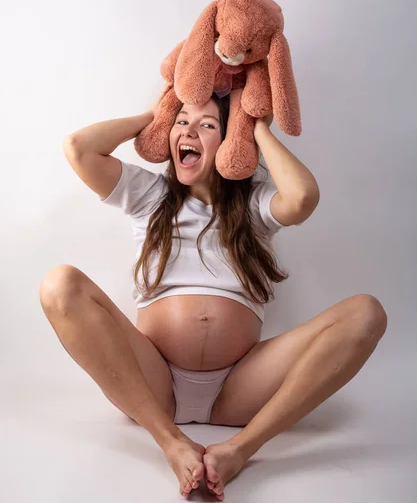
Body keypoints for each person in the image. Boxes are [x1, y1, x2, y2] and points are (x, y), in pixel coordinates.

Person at [40, 90, 387, 500]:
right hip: (154, 383)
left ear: (229, 145)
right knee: (59, 284)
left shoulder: (256, 207)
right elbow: (79, 149)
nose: (188, 130)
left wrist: (254, 128)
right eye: (182, 122)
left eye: (208, 125)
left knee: (367, 313)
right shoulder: (149, 197)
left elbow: (302, 198)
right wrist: (158, 113)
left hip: (239, 389)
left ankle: (241, 449)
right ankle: (169, 441)